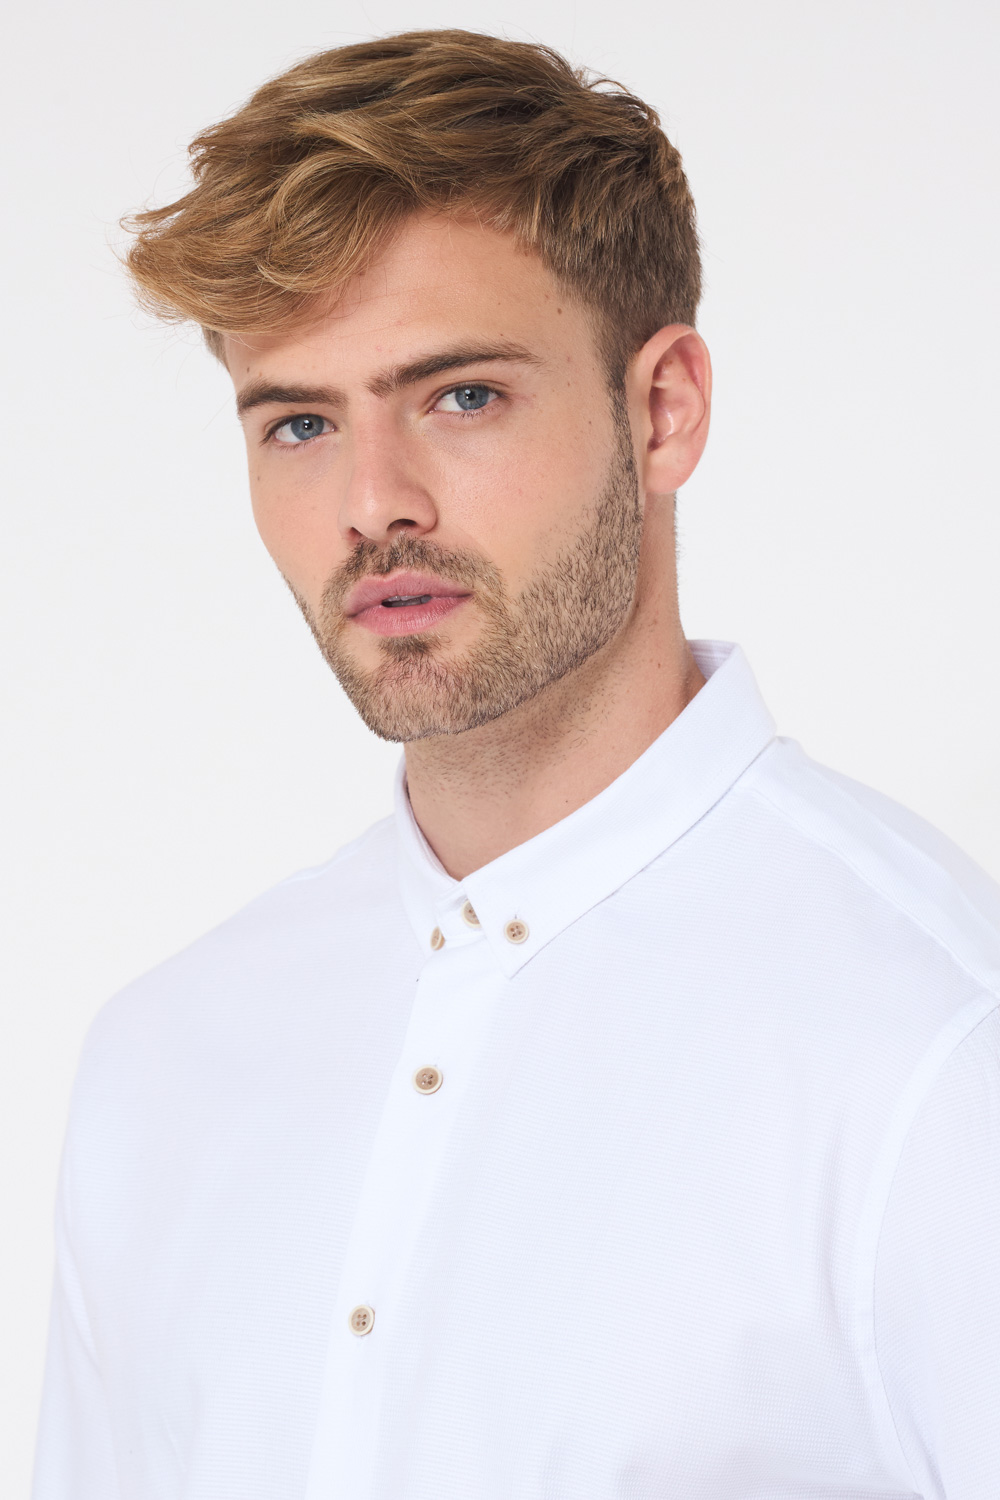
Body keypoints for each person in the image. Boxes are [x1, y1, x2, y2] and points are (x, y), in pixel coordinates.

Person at [32, 28, 1000, 1500]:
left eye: (461, 395)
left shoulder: (935, 1045)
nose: (373, 503)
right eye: (300, 422)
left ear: (662, 410)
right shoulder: (162, 1063)